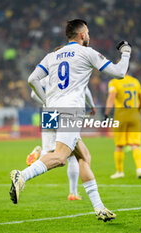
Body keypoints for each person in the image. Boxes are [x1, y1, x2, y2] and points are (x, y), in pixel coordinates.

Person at [9, 19, 131, 222]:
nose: (89, 35)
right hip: (70, 110)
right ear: (82, 34)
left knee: (84, 156)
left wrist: (47, 100)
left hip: (50, 111)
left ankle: (99, 208)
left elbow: (32, 80)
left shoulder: (52, 56)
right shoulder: (87, 53)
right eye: (88, 32)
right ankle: (21, 175)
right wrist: (126, 52)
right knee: (60, 158)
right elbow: (119, 73)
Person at [27, 71, 96, 200]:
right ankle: (73, 192)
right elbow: (86, 92)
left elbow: (32, 93)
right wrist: (92, 106)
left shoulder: (49, 75)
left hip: (48, 112)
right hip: (67, 112)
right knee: (73, 155)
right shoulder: (76, 74)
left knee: (51, 150)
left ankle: (40, 154)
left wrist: (46, 102)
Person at [104, 72, 141, 179]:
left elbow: (111, 97)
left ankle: (119, 172)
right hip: (134, 115)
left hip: (121, 116)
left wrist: (106, 113)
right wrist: (138, 110)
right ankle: (139, 170)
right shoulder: (135, 81)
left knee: (119, 146)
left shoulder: (114, 82)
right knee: (135, 144)